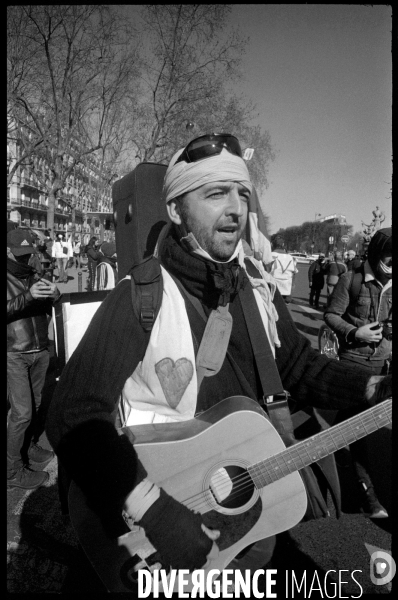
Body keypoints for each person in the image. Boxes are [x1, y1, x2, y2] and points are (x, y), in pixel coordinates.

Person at [46, 133, 391, 577]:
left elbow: (297, 366)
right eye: (216, 193)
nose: (236, 208)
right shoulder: (141, 296)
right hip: (157, 525)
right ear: (176, 209)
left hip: (244, 513)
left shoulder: (255, 288)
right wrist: (155, 511)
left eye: (242, 194)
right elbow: (74, 414)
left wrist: (372, 386)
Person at [323, 228, 392, 519]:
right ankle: (367, 496)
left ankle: (325, 479)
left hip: (382, 367)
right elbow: (330, 315)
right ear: (377, 253)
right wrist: (355, 331)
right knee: (357, 432)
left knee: (349, 430)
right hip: (352, 365)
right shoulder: (351, 279)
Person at [7, 229, 60, 490]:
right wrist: (28, 296)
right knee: (22, 413)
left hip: (39, 349)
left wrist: (55, 294)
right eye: (20, 254)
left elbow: (49, 307)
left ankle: (28, 447)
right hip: (14, 352)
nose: (26, 259)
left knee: (37, 405)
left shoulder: (33, 273)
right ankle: (12, 470)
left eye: (28, 254)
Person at [270, 237, 298, 304]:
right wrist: (290, 295)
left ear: (271, 244)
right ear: (283, 244)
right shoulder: (291, 258)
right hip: (286, 290)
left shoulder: (269, 256)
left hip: (272, 289)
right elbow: (293, 275)